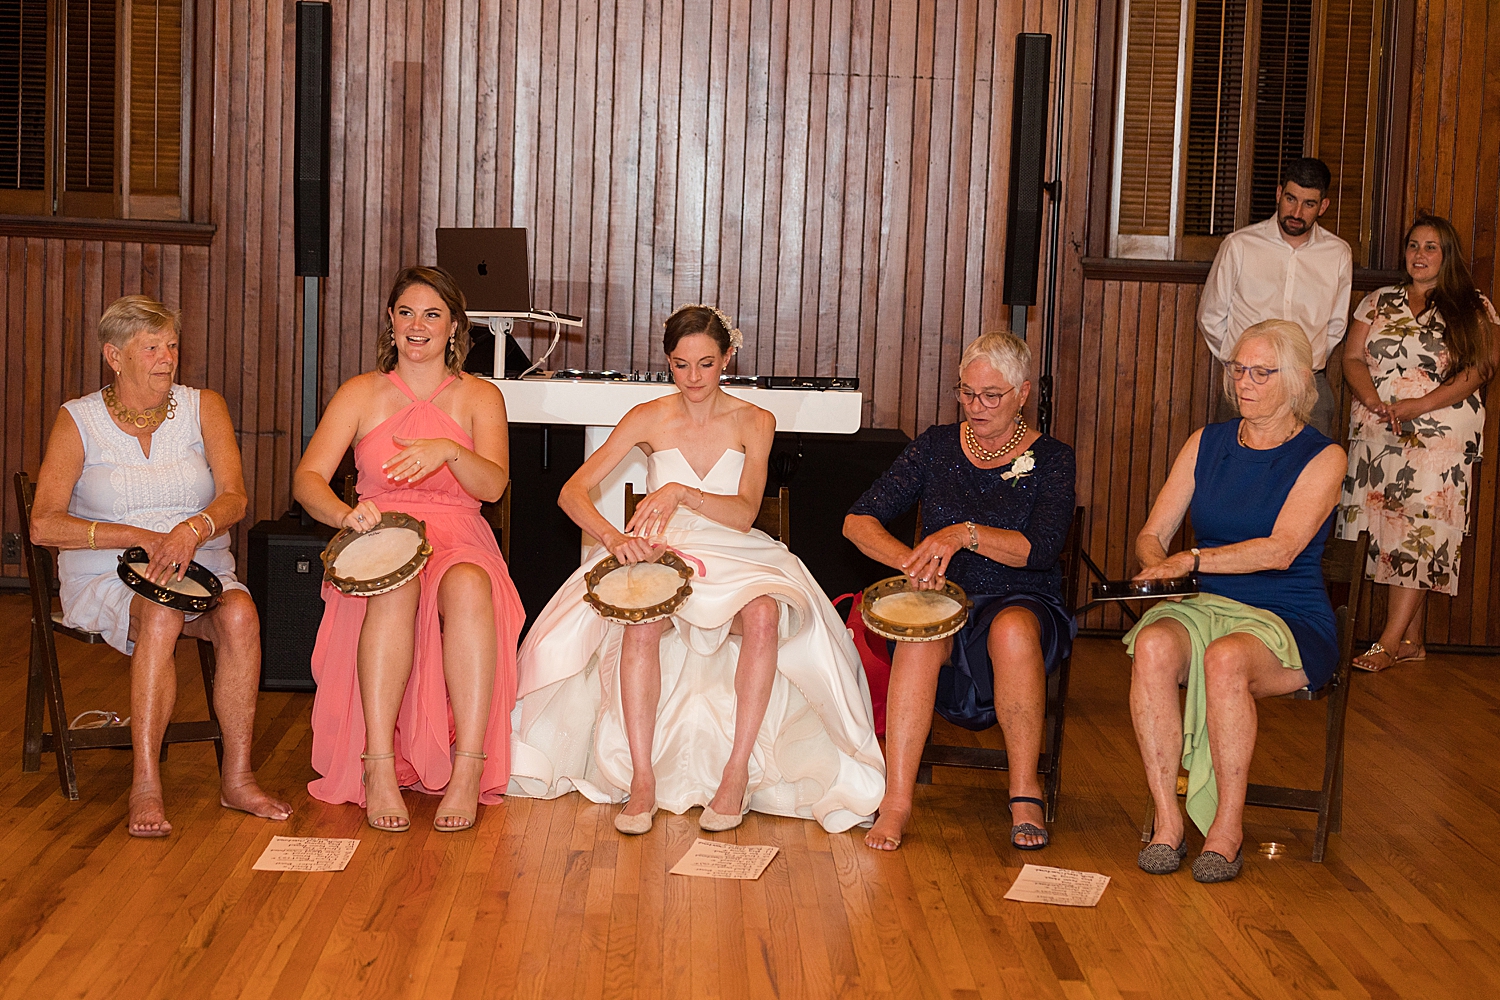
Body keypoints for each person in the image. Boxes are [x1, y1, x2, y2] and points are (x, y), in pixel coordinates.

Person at [508, 304, 885, 835]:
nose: (693, 378)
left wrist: (683, 491)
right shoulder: (648, 417)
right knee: (640, 618)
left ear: (727, 357)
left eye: (705, 364)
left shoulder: (756, 421)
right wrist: (615, 539)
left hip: (735, 549)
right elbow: (571, 491)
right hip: (664, 550)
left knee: (762, 614)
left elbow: (745, 512)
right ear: (669, 363)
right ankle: (641, 780)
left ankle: (735, 775)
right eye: (681, 366)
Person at [29, 295, 292, 838]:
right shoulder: (78, 420)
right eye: (150, 347)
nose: (166, 357)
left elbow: (235, 498)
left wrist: (189, 531)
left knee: (241, 616)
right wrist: (141, 537)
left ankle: (238, 777)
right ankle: (145, 782)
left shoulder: (203, 407)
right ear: (114, 355)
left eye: (171, 345)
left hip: (199, 562)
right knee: (160, 610)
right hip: (107, 571)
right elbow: (44, 525)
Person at [292, 265, 525, 832]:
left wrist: (449, 450)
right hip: (381, 534)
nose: (417, 326)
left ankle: (469, 767)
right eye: (405, 313)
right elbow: (307, 481)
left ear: (454, 329)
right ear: (391, 323)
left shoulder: (480, 396)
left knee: (470, 583)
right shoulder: (361, 392)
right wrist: (348, 515)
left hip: (458, 532)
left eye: (432, 315)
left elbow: (493, 486)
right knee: (394, 583)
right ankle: (377, 764)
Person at [1126, 319, 1344, 883]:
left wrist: (1192, 560)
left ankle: (1227, 829)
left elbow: (1280, 549)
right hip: (1202, 601)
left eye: (1261, 372)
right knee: (1150, 644)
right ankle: (1169, 823)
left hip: (1285, 612)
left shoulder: (1324, 456)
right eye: (1237, 369)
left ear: (1297, 380)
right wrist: (1157, 563)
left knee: (1225, 657)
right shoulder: (1207, 442)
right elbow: (1153, 532)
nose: (1243, 382)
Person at [843, 332, 1076, 852]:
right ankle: (897, 800)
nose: (976, 406)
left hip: (1023, 598)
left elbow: (1039, 549)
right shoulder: (936, 446)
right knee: (923, 633)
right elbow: (857, 521)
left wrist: (964, 533)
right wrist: (909, 560)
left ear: (1022, 393)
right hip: (945, 601)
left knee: (1013, 629)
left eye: (991, 395)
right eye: (967, 393)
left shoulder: (1053, 459)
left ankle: (1024, 792)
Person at [1337, 216, 1498, 671]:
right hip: (1378, 430)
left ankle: (1387, 643)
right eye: (1413, 246)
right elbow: (1351, 357)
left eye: (1430, 247)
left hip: (1439, 439)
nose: (1419, 255)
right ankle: (1412, 640)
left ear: (1447, 255)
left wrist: (1419, 404)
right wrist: (1374, 400)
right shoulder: (1377, 301)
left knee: (1419, 531)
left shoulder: (1473, 304)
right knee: (1387, 531)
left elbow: (1481, 369)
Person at [1198, 156, 1353, 437]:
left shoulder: (1338, 254)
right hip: (1246, 383)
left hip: (1307, 385)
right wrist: (1244, 365)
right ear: (1279, 193)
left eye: (1309, 204)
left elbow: (1335, 325)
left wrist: (1304, 364)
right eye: (1291, 199)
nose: (1296, 212)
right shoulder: (1240, 245)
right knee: (1234, 471)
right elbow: (1211, 317)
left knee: (1311, 472)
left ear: (1323, 206)